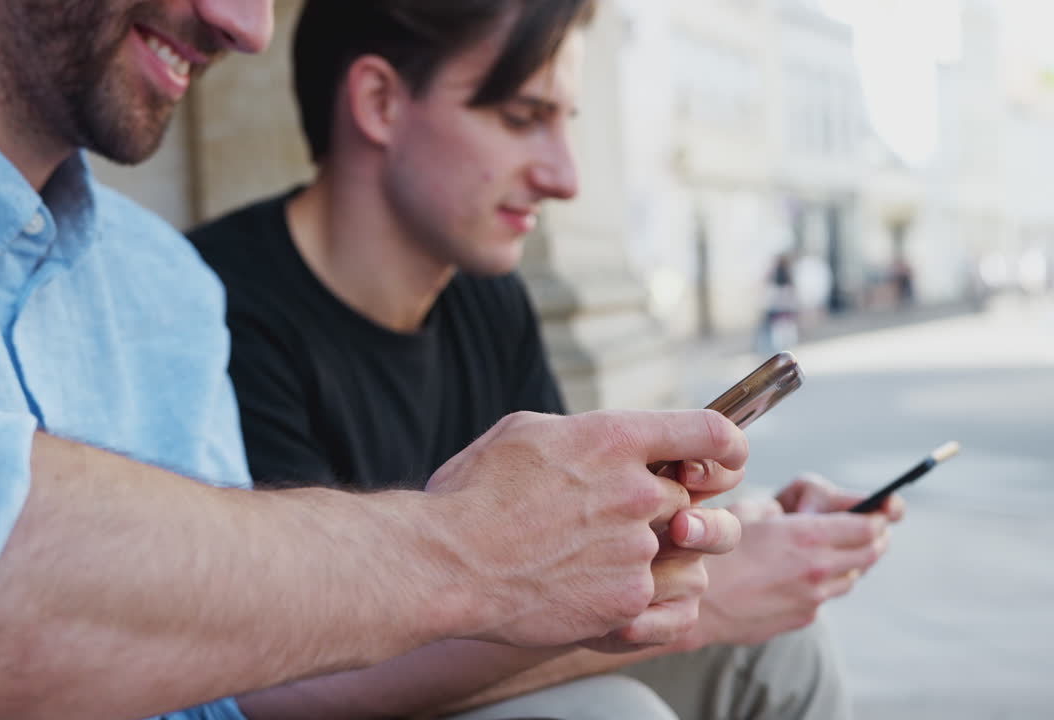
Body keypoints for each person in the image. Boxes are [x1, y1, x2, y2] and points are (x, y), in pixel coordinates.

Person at [0, 1, 750, 718]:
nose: (246, 27)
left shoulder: (165, 285)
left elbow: (230, 688)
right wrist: (471, 549)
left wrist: (572, 586)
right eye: (517, 115)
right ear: (376, 104)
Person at [190, 1, 905, 717]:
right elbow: (273, 681)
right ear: (380, 101)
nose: (566, 178)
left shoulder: (490, 299)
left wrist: (720, 537)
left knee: (782, 646)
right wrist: (704, 609)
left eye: (567, 122)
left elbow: (566, 557)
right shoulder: (211, 309)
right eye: (521, 117)